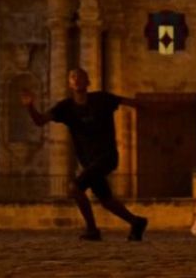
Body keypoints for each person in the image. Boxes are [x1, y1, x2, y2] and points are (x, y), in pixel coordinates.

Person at [21, 68, 149, 241]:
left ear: (88, 81)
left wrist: (156, 108)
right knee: (106, 200)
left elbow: (133, 102)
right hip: (89, 162)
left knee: (75, 188)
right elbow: (40, 121)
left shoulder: (102, 99)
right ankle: (136, 222)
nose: (77, 79)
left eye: (80, 76)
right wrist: (30, 107)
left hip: (107, 156)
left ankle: (92, 230)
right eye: (73, 77)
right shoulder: (65, 107)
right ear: (69, 83)